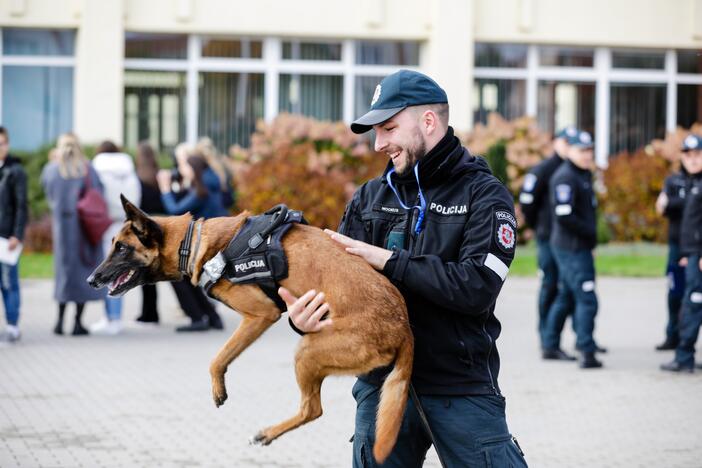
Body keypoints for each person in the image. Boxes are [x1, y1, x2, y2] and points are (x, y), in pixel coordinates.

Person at [279, 70, 527, 467]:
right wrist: (307, 318)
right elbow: (339, 288)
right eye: (376, 132)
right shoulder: (370, 197)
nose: (379, 144)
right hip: (381, 385)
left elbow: (476, 288)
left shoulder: (484, 195)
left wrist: (390, 260)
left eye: (389, 128)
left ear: (428, 122)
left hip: (459, 386)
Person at [541, 130, 603, 369]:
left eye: (589, 150)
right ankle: (587, 351)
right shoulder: (565, 177)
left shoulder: (583, 175)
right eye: (582, 150)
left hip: (579, 246)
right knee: (587, 299)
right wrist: (589, 233)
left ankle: (550, 344)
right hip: (571, 248)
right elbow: (565, 216)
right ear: (571, 151)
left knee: (567, 295)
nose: (587, 155)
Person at [519, 127, 576, 358]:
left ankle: (565, 338)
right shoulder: (543, 169)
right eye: (565, 141)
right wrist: (538, 227)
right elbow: (527, 202)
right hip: (547, 238)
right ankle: (547, 340)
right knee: (550, 286)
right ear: (555, 142)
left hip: (566, 240)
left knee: (567, 288)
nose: (568, 146)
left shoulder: (574, 169)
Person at [41, 133, 106, 336]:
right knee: (83, 273)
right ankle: (78, 322)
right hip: (84, 231)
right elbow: (99, 193)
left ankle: (59, 322)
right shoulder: (87, 169)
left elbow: (48, 194)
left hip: (62, 231)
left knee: (64, 274)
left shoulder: (51, 170)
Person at [157, 144, 225, 332]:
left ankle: (198, 318)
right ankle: (211, 317)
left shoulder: (203, 188)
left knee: (174, 273)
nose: (180, 169)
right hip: (207, 239)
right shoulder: (208, 180)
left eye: (183, 165)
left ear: (193, 168)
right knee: (186, 277)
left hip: (204, 242)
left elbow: (176, 210)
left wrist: (165, 189)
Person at [90, 140, 141, 335]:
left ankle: (110, 317)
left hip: (106, 224)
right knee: (120, 272)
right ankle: (116, 317)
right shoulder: (129, 169)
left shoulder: (97, 169)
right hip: (125, 225)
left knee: (105, 271)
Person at [661, 134, 702, 373]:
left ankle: (684, 357)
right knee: (686, 300)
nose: (693, 160)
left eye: (697, 155)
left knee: (692, 304)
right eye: (688, 155)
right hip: (690, 253)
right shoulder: (689, 182)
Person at [655, 153, 690, 351]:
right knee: (675, 291)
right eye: (688, 155)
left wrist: (675, 202)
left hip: (697, 247)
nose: (693, 160)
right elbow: (662, 207)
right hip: (677, 245)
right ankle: (673, 335)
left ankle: (687, 340)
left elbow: (670, 204)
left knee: (694, 295)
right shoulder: (673, 180)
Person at [0, 126, 28, 343]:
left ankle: (12, 324)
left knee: (9, 283)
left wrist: (17, 234)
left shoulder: (15, 171)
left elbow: (21, 206)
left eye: (3, 143)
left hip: (7, 237)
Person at [134, 141, 164, 324]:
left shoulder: (137, 179)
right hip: (163, 225)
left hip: (145, 230)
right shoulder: (160, 177)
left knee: (146, 273)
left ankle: (149, 313)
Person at [195, 137, 236, 210]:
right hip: (222, 201)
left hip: (219, 203)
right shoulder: (220, 161)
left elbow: (222, 184)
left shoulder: (215, 164)